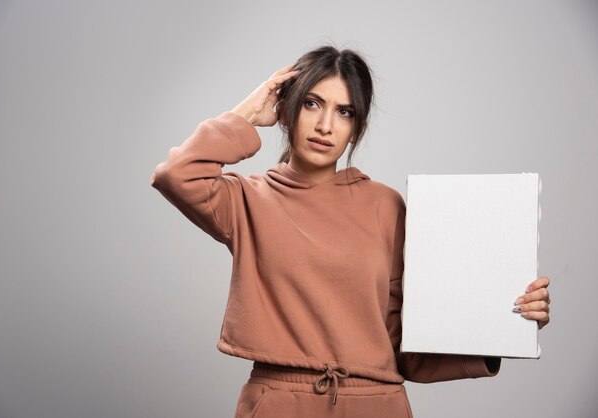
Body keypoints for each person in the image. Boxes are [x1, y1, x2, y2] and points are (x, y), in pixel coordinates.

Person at [150, 45, 551, 418]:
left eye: (345, 112)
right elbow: (177, 174)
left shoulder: (386, 206)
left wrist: (507, 324)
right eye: (312, 104)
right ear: (286, 109)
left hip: (377, 404)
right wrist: (246, 114)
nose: (326, 125)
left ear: (357, 128)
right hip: (278, 403)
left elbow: (403, 343)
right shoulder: (247, 199)